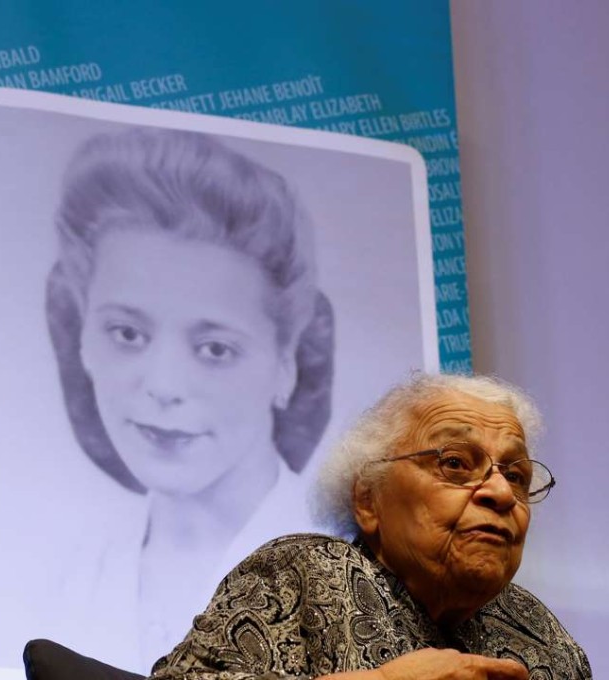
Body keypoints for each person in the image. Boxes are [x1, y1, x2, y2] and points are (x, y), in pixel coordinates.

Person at [44, 127, 335, 669]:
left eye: (215, 348)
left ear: (285, 365)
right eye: (127, 333)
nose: (165, 386)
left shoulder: (348, 574)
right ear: (83, 337)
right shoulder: (69, 581)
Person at [147, 373, 592, 679]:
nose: (500, 492)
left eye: (516, 475)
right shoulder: (301, 573)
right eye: (455, 463)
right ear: (368, 499)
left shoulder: (542, 634)